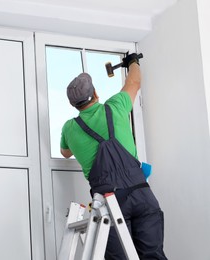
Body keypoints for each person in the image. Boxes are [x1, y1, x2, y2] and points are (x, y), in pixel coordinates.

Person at [60, 53, 168, 260]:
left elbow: (65, 153)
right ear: (96, 93)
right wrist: (132, 62)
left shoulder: (70, 129)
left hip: (110, 204)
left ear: (73, 104)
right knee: (153, 256)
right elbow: (134, 81)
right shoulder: (116, 106)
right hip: (142, 195)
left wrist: (78, 143)